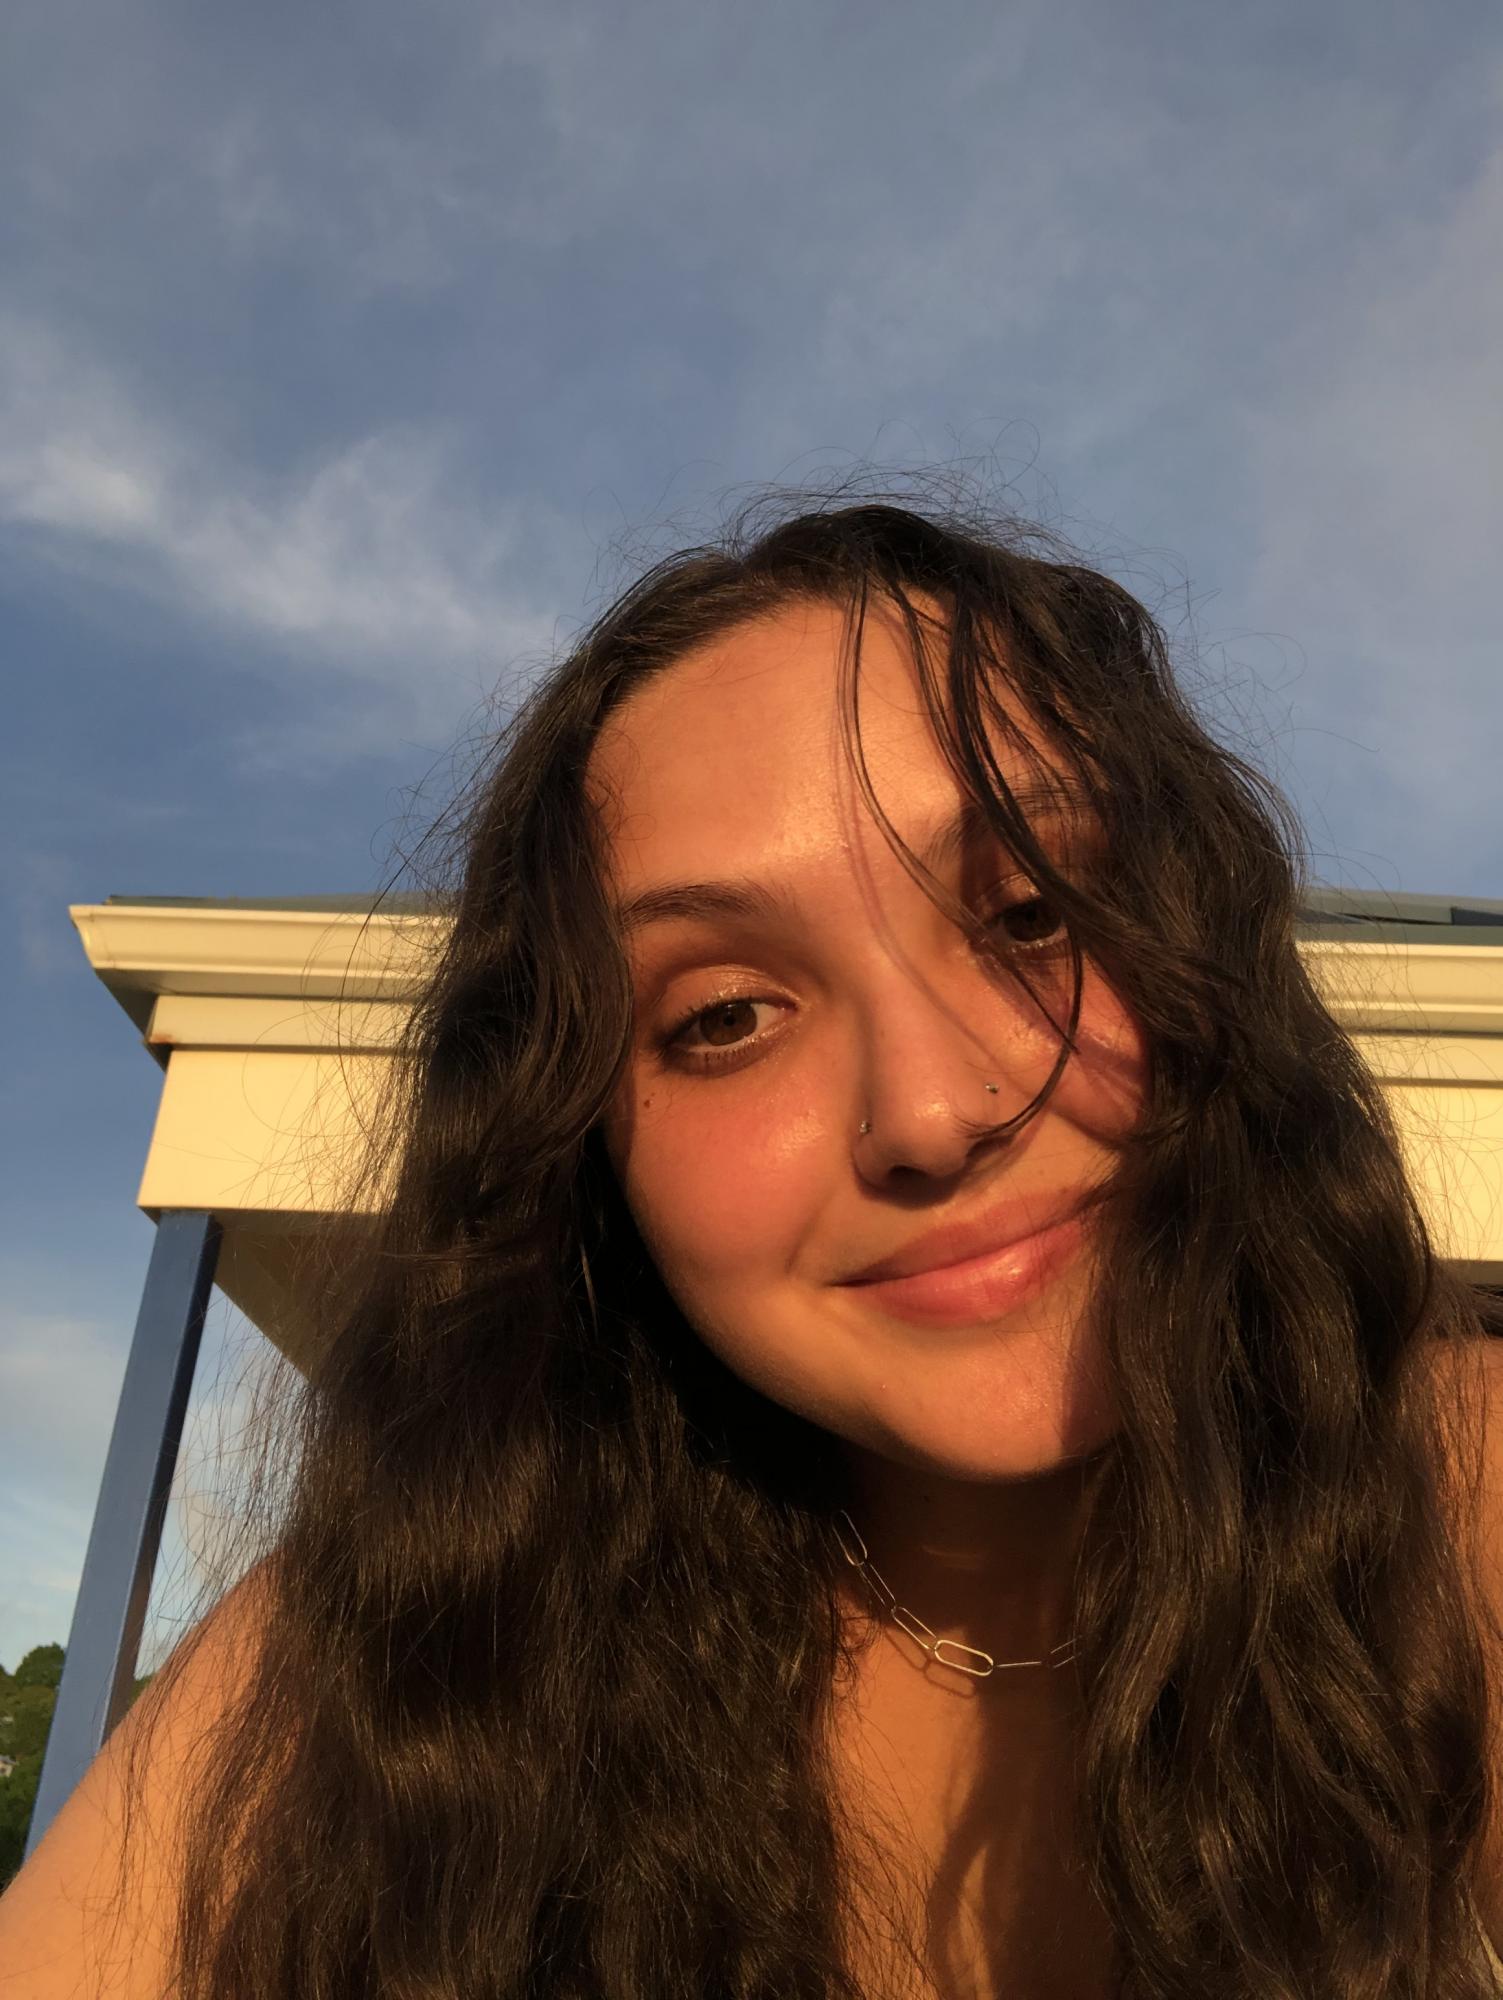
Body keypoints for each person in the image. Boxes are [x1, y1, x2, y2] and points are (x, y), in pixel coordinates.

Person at [4, 490, 1503, 1997]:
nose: (930, 1107)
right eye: (725, 1015)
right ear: (582, 1158)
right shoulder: (411, 1640)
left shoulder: (1460, 1508)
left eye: (1036, 914)